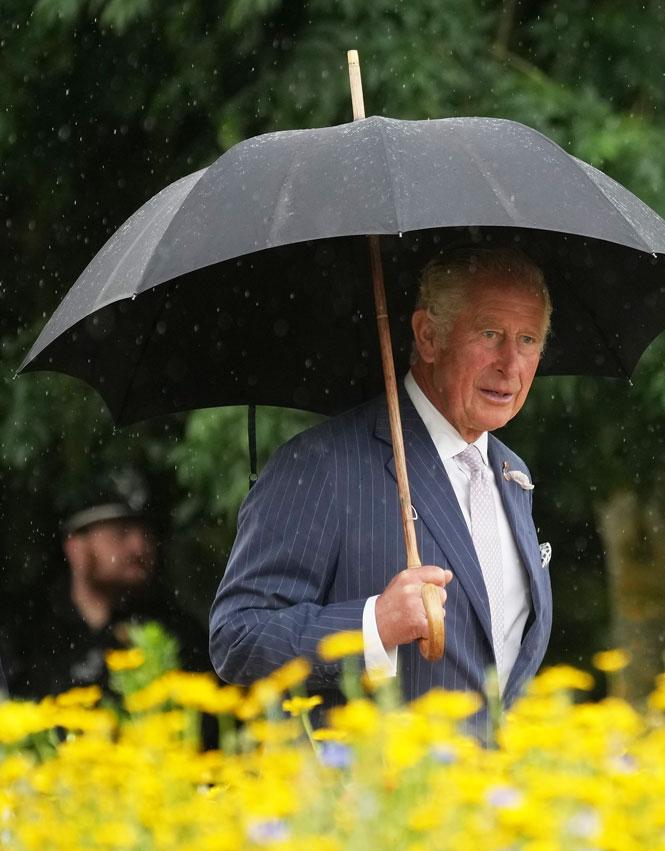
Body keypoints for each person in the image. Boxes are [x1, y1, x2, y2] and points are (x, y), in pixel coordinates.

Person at [210, 248, 554, 711]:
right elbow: (238, 638)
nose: (510, 365)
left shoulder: (514, 476)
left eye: (528, 340)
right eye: (490, 333)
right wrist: (374, 625)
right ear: (428, 336)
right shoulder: (319, 464)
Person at [6, 480, 212, 699]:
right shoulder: (29, 629)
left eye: (147, 534)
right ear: (76, 546)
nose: (139, 547)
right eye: (121, 534)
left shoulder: (176, 630)